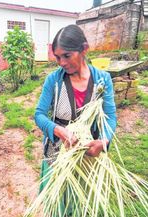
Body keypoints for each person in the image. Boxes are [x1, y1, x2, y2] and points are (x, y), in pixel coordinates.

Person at [34, 24, 117, 191]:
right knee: (58, 197)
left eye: (67, 55)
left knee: (82, 195)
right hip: (58, 151)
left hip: (87, 151)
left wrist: (104, 140)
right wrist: (58, 130)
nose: (62, 63)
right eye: (57, 57)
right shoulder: (54, 80)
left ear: (84, 49)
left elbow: (110, 116)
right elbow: (39, 114)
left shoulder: (102, 80)